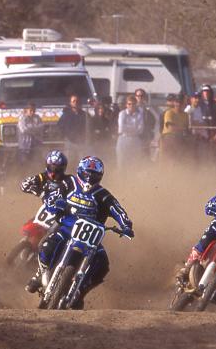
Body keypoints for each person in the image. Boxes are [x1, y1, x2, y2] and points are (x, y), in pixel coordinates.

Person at [26, 156, 134, 308]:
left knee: (103, 265)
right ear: (80, 171)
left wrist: (126, 226)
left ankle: (80, 291)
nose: (90, 177)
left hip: (90, 238)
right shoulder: (69, 183)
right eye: (87, 173)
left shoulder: (103, 195)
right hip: (66, 228)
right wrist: (54, 205)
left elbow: (118, 210)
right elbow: (53, 196)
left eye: (94, 174)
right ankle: (41, 275)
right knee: (45, 246)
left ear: (100, 176)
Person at [116, 94, 146, 169]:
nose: (131, 106)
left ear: (136, 105)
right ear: (126, 105)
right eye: (129, 104)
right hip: (123, 139)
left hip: (135, 140)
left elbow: (141, 129)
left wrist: (128, 128)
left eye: (133, 104)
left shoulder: (139, 115)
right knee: (122, 164)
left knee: (135, 164)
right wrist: (134, 128)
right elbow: (121, 128)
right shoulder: (122, 114)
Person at [160, 94, 189, 162]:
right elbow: (171, 128)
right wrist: (182, 129)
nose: (178, 104)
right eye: (177, 102)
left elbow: (187, 128)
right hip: (169, 138)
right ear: (175, 103)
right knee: (168, 160)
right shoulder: (169, 112)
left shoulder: (185, 115)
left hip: (180, 138)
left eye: (180, 102)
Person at [57, 94, 86, 158]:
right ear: (70, 103)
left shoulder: (84, 114)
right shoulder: (66, 115)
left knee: (83, 161)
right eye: (73, 101)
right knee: (69, 161)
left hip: (81, 142)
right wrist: (65, 135)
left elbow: (89, 126)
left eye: (77, 101)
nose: (75, 103)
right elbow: (60, 125)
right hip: (70, 141)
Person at [17, 103, 44, 167]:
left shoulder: (37, 117)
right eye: (31, 110)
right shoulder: (22, 118)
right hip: (24, 146)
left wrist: (30, 128)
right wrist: (34, 129)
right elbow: (23, 129)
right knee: (25, 164)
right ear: (26, 110)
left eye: (34, 110)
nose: (32, 112)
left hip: (36, 144)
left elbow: (41, 127)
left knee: (36, 163)